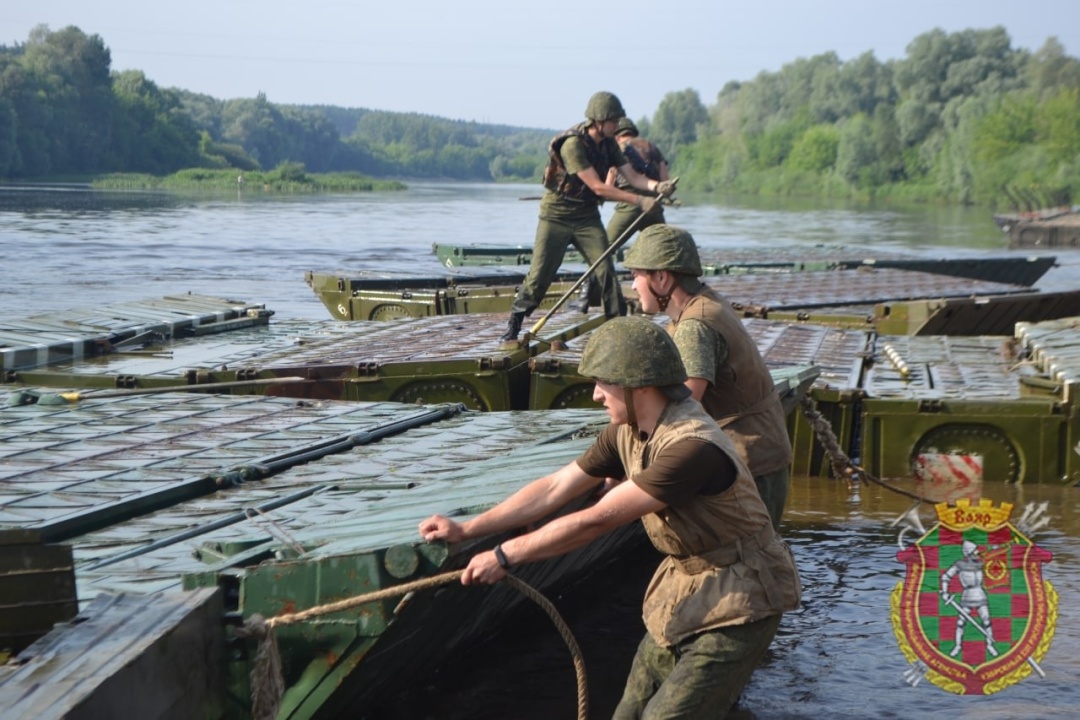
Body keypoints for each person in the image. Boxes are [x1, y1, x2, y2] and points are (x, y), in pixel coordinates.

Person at [420, 316, 801, 719]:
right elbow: (556, 487)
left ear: (639, 386)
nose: (597, 395)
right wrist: (468, 529)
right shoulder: (628, 428)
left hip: (743, 595)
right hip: (684, 590)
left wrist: (504, 555)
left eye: (605, 383)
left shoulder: (691, 449)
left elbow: (598, 520)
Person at [622, 225, 793, 529]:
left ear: (662, 278)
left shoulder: (695, 325)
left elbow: (683, 407)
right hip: (758, 457)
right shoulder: (704, 302)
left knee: (745, 564)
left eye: (636, 275)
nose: (633, 285)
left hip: (749, 465)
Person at [500, 91, 676, 342]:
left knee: (605, 271)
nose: (617, 126)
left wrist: (657, 188)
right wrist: (639, 200)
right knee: (540, 276)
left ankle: (619, 329)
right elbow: (598, 187)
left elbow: (634, 177)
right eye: (613, 121)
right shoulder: (573, 144)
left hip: (586, 218)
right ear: (599, 120)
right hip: (556, 217)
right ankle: (514, 324)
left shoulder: (610, 145)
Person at [570, 117, 670, 313]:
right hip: (654, 207)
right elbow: (664, 180)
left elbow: (609, 185)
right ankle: (665, 298)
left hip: (629, 206)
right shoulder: (652, 147)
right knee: (663, 253)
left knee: (602, 250)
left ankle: (585, 300)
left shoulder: (618, 149)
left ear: (618, 134)